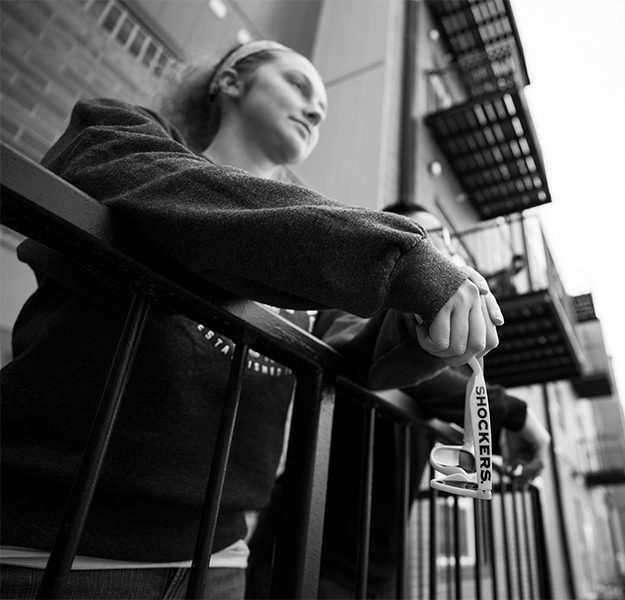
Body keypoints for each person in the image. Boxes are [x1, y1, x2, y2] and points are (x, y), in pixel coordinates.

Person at [0, 40, 503, 600]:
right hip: (51, 547)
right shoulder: (119, 133)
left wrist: (416, 331)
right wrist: (404, 261)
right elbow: (173, 194)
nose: (314, 108)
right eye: (297, 85)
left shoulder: (311, 256)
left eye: (323, 107)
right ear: (232, 80)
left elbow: (355, 358)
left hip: (218, 561)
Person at [244, 203, 551, 599]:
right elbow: (390, 366)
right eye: (419, 239)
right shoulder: (351, 309)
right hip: (308, 552)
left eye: (441, 239)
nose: (435, 251)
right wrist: (518, 414)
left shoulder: (439, 349)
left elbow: (442, 394)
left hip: (380, 570)